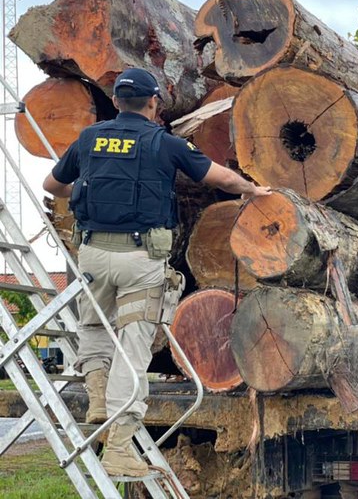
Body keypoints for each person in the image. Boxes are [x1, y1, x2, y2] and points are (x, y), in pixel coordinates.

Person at [42, 67, 271, 477]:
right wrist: (253, 189)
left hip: (92, 254)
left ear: (115, 102)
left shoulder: (88, 139)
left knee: (94, 327)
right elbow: (218, 176)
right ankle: (118, 449)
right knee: (132, 349)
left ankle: (97, 397)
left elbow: (51, 185)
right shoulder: (163, 143)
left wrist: (80, 188)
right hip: (140, 260)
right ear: (153, 104)